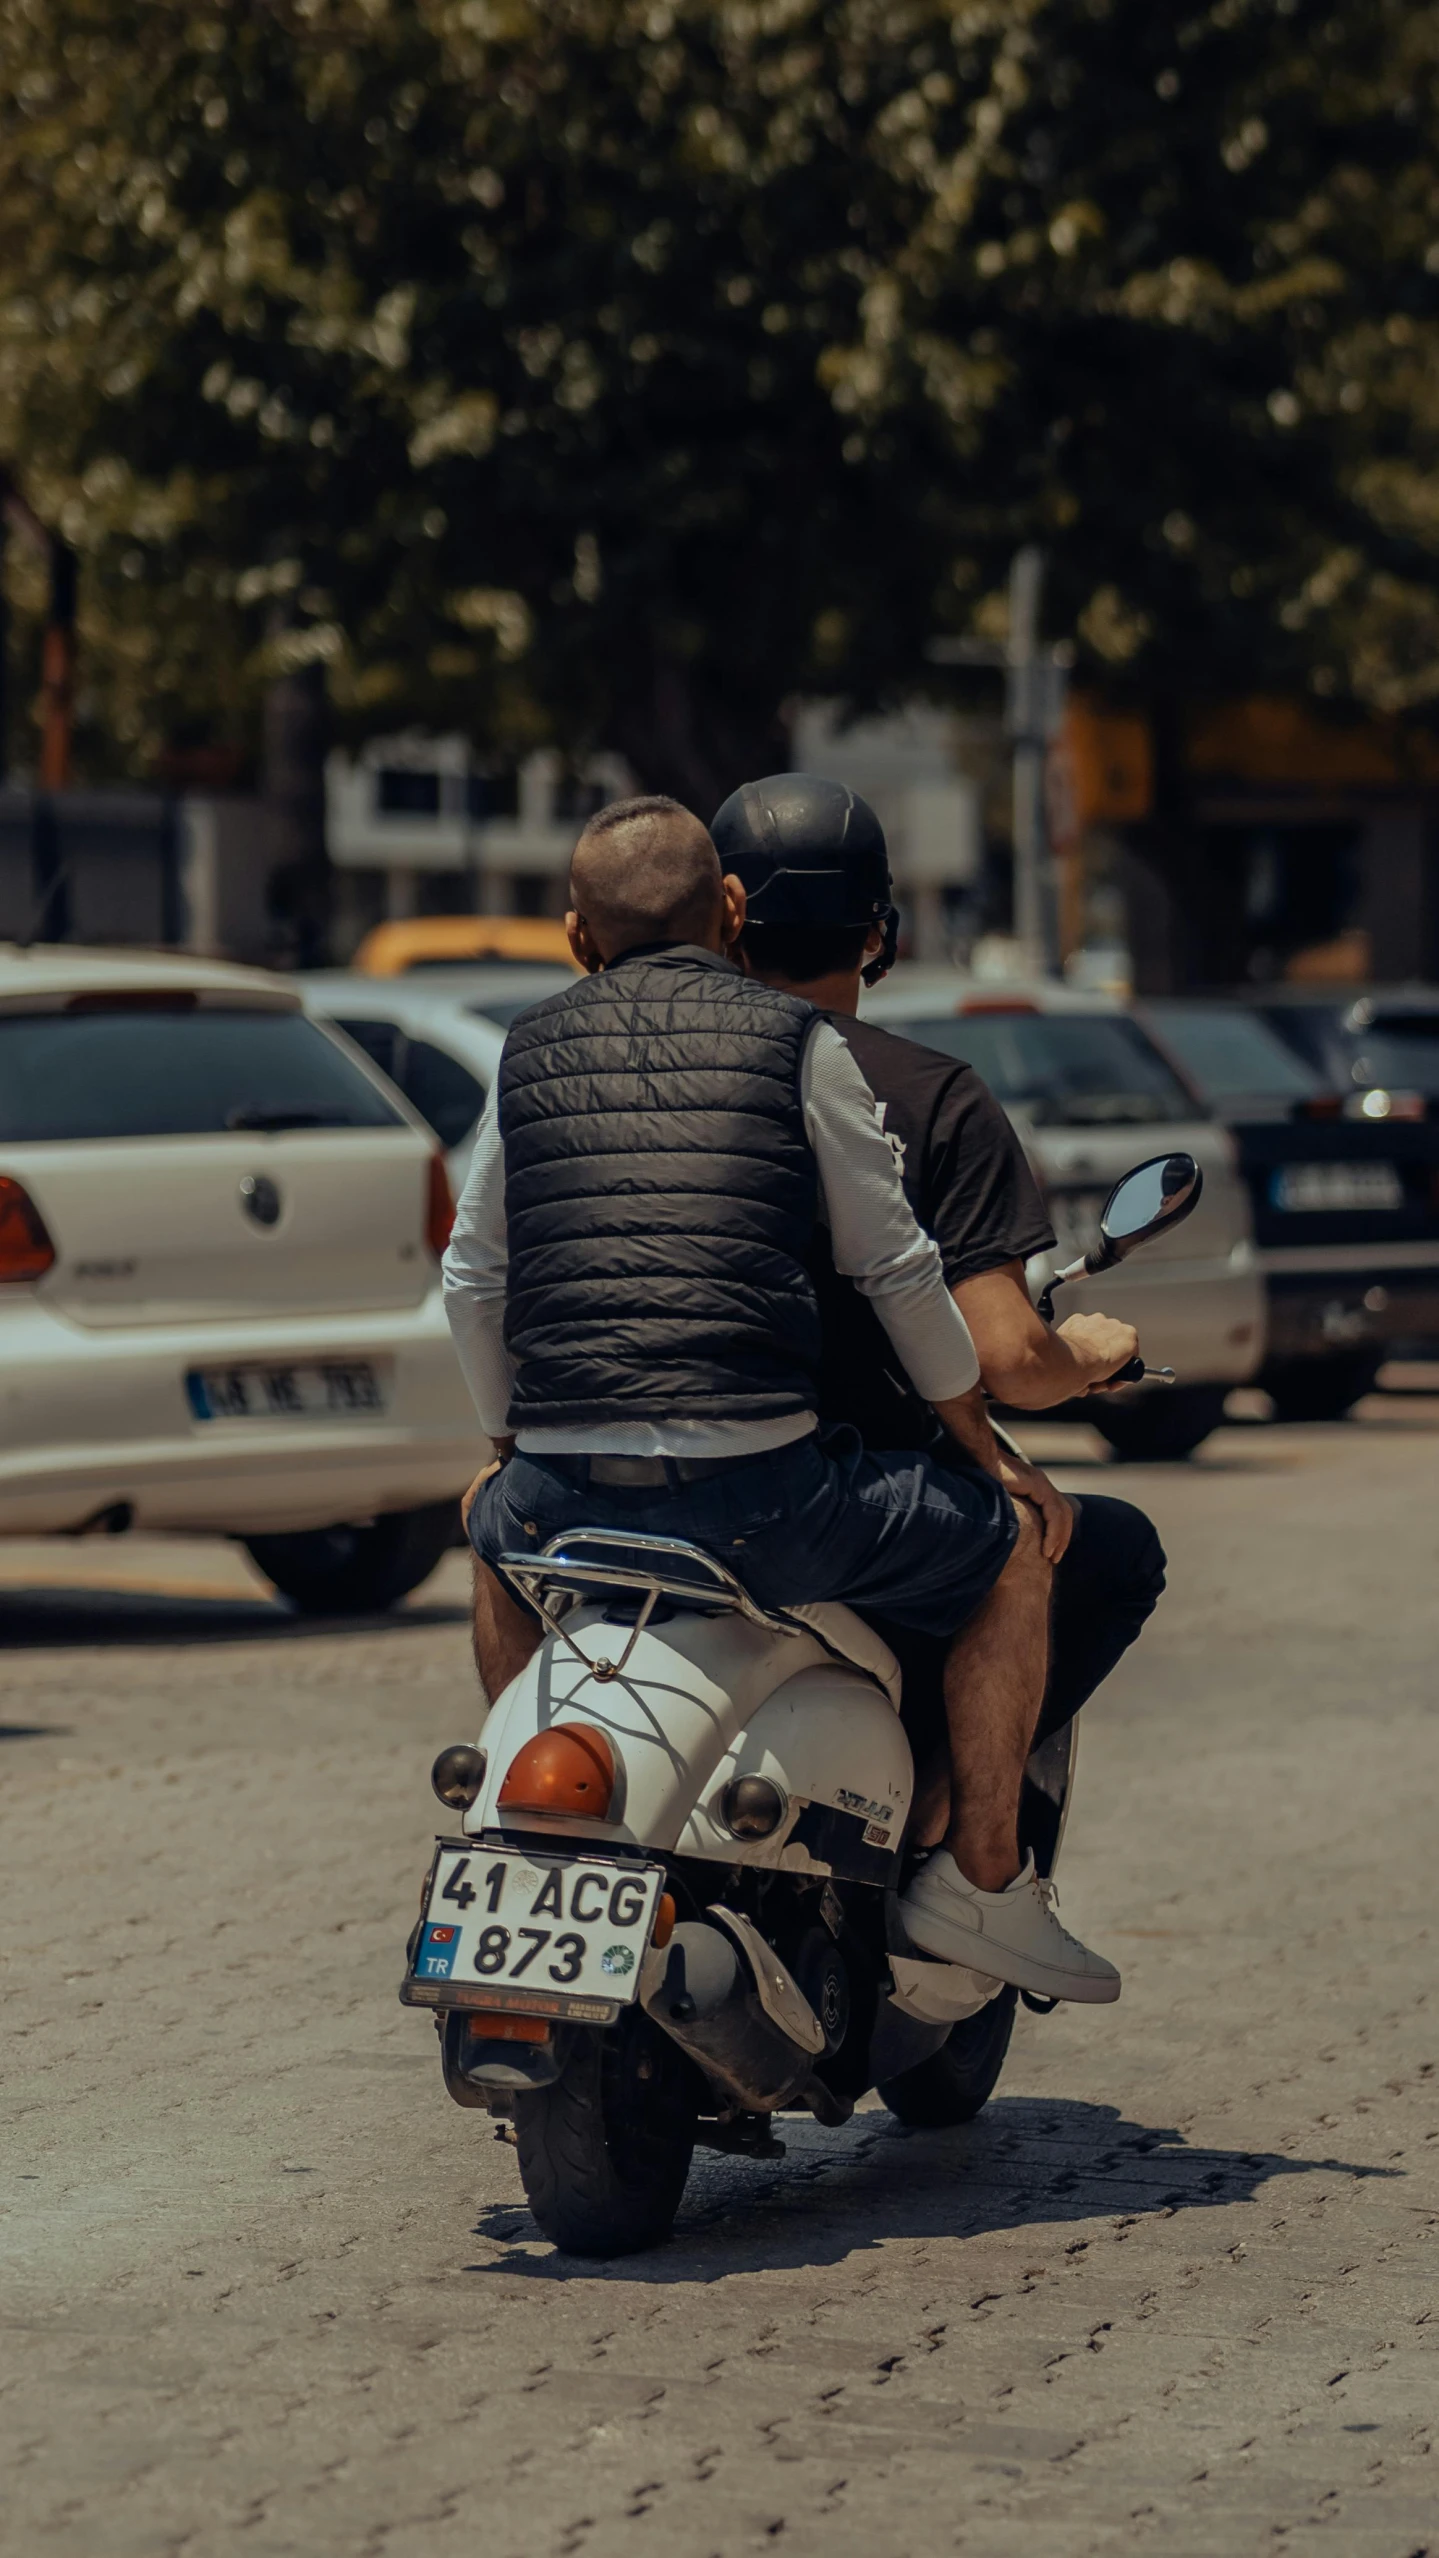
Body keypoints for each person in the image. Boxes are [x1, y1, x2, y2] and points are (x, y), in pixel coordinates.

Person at [443, 791, 1120, 2003]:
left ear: (571, 933)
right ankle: (979, 1876)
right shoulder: (796, 1048)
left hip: (562, 1490)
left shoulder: (524, 1047)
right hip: (760, 1498)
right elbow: (897, 1267)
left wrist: (507, 1440)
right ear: (728, 911)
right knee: (1013, 1544)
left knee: (488, 1525)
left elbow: (469, 1276)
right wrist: (982, 1444)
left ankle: (535, 1834)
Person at [710, 771, 1167, 1863]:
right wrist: (1088, 1351)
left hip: (635, 1474)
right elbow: (1006, 1353)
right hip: (840, 1498)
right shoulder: (928, 1096)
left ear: (724, 920)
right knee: (1101, 1548)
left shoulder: (667, 1079)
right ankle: (959, 1847)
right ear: (879, 932)